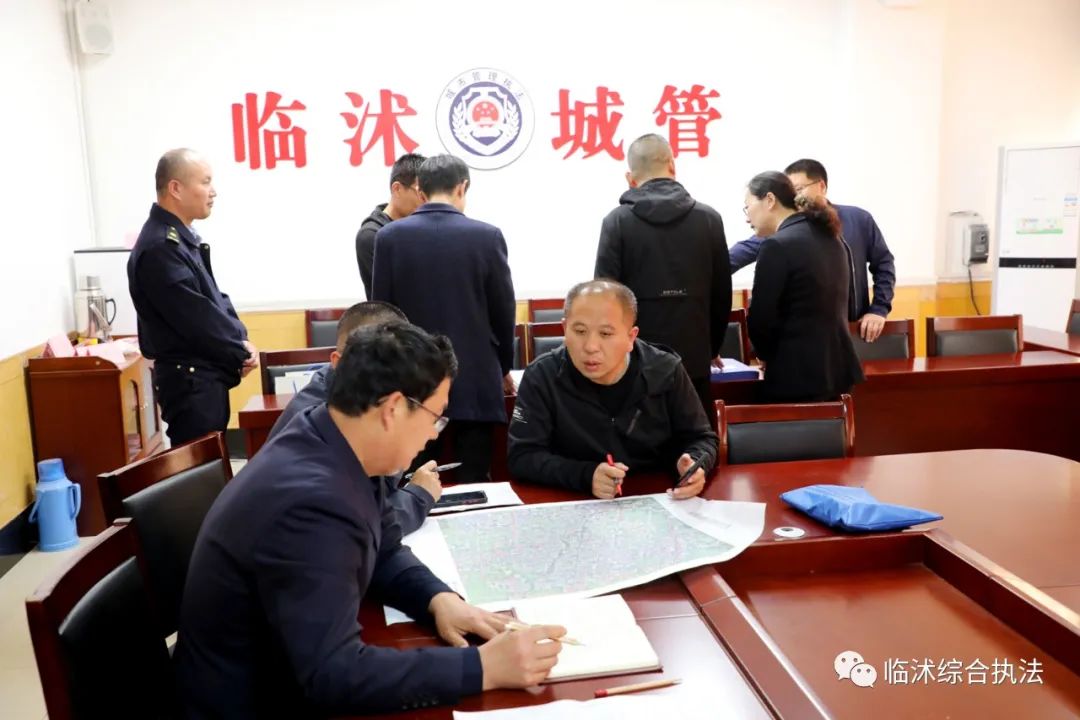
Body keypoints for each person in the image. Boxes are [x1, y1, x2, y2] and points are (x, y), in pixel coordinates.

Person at [176, 323, 566, 718]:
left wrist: (438, 599)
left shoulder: (334, 437)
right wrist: (481, 668)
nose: (434, 434)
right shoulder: (312, 505)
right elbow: (334, 674)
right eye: (435, 416)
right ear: (393, 408)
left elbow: (385, 548)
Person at [372, 154, 516, 484]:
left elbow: (383, 316)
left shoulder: (388, 238)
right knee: (474, 481)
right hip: (475, 380)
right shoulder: (487, 237)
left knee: (414, 481)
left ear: (421, 192)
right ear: (462, 188)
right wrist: (503, 367)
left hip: (413, 384)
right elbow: (503, 312)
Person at [507, 280, 718, 500]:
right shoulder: (542, 376)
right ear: (564, 329)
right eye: (579, 331)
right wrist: (586, 475)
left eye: (606, 334)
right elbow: (522, 457)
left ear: (631, 337)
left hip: (657, 497)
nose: (590, 347)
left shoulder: (665, 370)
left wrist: (694, 465)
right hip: (574, 501)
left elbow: (703, 438)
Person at [266, 300, 441, 533]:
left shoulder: (369, 403)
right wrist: (419, 496)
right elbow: (364, 524)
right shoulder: (326, 423)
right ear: (338, 363)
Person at [594, 133, 732, 415]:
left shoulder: (617, 221)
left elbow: (606, 298)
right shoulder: (709, 219)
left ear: (630, 178)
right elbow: (722, 296)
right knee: (695, 437)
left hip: (635, 363)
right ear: (672, 165)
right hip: (694, 359)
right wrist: (710, 348)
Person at [128, 148, 257, 447]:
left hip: (203, 378)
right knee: (200, 470)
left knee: (212, 465)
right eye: (205, 182)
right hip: (190, 382)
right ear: (176, 188)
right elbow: (197, 317)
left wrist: (241, 339)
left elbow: (215, 298)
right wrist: (239, 351)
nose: (213, 192)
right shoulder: (161, 246)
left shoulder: (180, 238)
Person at [729, 158, 896, 342]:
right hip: (809, 339)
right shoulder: (785, 230)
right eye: (790, 191)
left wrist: (879, 309)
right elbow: (742, 252)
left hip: (854, 331)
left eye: (799, 189)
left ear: (821, 186)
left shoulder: (858, 219)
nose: (794, 196)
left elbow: (883, 263)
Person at [741, 171, 864, 402]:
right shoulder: (832, 237)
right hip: (839, 372)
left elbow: (761, 319)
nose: (747, 218)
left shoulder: (776, 245)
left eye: (747, 207)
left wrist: (764, 354)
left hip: (796, 377)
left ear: (770, 200)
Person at [355, 153, 426, 299]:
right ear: (397, 189)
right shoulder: (372, 235)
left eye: (429, 194)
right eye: (420, 193)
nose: (426, 201)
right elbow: (394, 293)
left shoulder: (422, 227)